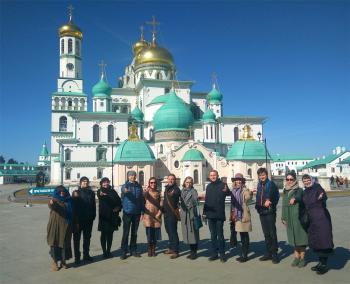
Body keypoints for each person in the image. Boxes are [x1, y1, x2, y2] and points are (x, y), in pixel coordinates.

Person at [302, 174, 334, 275]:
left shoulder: (318, 187)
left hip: (321, 218)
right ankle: (320, 263)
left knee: (323, 240)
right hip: (312, 220)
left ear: (312, 180)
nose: (306, 182)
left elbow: (323, 196)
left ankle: (324, 265)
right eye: (305, 181)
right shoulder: (305, 191)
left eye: (308, 180)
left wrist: (322, 196)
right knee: (317, 242)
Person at [281, 172, 308, 268]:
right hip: (288, 217)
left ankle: (302, 258)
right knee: (293, 238)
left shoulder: (299, 189)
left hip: (297, 217)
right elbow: (283, 205)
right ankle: (296, 257)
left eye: (291, 179)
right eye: (287, 179)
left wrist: (295, 199)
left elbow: (300, 196)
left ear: (295, 180)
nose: (289, 181)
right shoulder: (285, 190)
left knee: (301, 238)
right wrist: (283, 217)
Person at [203, 170, 230, 262]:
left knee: (220, 235)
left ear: (217, 176)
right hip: (210, 215)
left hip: (219, 215)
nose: (213, 176)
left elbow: (228, 192)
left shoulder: (222, 185)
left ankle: (222, 254)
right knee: (213, 235)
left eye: (214, 175)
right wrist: (204, 212)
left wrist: (227, 191)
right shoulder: (209, 186)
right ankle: (214, 253)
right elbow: (206, 200)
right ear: (209, 177)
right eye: (211, 175)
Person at [255, 167, 280, 264]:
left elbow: (276, 196)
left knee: (272, 233)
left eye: (263, 175)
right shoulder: (259, 185)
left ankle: (275, 254)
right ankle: (268, 253)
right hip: (261, 211)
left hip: (269, 211)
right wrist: (258, 206)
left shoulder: (271, 184)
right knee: (266, 233)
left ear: (266, 175)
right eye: (260, 175)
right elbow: (258, 196)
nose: (262, 176)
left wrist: (271, 201)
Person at [47, 186, 73, 271]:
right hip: (55, 225)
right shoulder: (54, 200)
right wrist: (51, 203)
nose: (62, 193)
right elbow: (52, 206)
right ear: (57, 192)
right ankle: (54, 262)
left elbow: (72, 212)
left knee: (65, 244)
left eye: (63, 192)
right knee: (55, 243)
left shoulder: (69, 200)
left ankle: (63, 261)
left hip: (66, 226)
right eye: (60, 192)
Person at [120, 171, 144, 259]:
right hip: (127, 213)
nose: (132, 177)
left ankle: (133, 250)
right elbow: (123, 190)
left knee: (134, 233)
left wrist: (142, 212)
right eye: (130, 175)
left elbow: (141, 199)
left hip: (137, 213)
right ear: (128, 177)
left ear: (136, 176)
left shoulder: (139, 186)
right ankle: (124, 251)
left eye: (134, 175)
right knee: (126, 233)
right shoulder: (125, 185)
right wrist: (125, 191)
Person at [72, 176, 96, 264]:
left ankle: (86, 254)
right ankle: (77, 257)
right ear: (80, 183)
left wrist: (93, 215)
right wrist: (75, 220)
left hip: (89, 219)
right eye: (83, 181)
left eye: (86, 181)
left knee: (87, 238)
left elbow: (93, 205)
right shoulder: (76, 192)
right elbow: (73, 207)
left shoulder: (91, 193)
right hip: (79, 220)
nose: (85, 183)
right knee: (76, 238)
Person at [230, 173, 253, 263]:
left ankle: (245, 255)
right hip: (237, 216)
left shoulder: (245, 190)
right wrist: (232, 214)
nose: (238, 181)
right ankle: (243, 253)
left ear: (242, 181)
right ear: (235, 181)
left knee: (244, 235)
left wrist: (250, 194)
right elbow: (232, 204)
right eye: (237, 180)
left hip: (243, 215)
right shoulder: (233, 190)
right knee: (241, 234)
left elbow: (248, 198)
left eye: (240, 180)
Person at [97, 177, 122, 258]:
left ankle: (108, 251)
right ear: (101, 183)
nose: (106, 183)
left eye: (107, 182)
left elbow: (119, 201)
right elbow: (100, 195)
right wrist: (103, 195)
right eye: (104, 182)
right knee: (103, 234)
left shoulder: (113, 191)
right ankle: (104, 252)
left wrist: (118, 207)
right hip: (104, 216)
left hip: (112, 216)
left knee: (110, 234)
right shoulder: (100, 191)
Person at [180, 176, 200, 260]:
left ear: (192, 184)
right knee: (188, 233)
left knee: (193, 233)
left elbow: (196, 201)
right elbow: (180, 201)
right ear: (184, 183)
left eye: (190, 182)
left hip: (191, 214)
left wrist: (193, 203)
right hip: (184, 214)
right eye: (187, 182)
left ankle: (194, 252)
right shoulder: (182, 191)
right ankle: (191, 251)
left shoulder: (194, 191)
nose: (188, 184)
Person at [163, 173, 181, 259]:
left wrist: (173, 194)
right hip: (166, 213)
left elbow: (177, 193)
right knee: (168, 231)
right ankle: (171, 248)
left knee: (173, 232)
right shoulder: (166, 188)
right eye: (169, 179)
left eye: (172, 179)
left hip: (172, 214)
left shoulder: (176, 189)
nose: (171, 180)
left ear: (175, 180)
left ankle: (176, 250)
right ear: (167, 180)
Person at [143, 177, 162, 257]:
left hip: (156, 215)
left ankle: (153, 249)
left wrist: (159, 213)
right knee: (149, 234)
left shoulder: (159, 193)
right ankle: (149, 249)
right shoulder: (146, 192)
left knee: (155, 234)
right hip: (148, 215)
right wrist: (145, 192)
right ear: (149, 183)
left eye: (154, 182)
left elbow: (161, 204)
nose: (153, 184)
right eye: (151, 182)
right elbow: (144, 198)